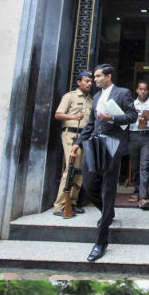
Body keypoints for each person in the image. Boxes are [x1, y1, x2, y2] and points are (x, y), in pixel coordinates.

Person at [73, 64, 138, 262]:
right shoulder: (96, 97)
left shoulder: (122, 93)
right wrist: (78, 143)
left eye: (98, 76)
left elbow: (133, 116)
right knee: (89, 184)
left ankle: (101, 242)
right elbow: (91, 123)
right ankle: (107, 213)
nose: (95, 80)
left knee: (108, 190)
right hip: (94, 144)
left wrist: (112, 117)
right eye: (94, 77)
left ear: (109, 77)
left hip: (112, 144)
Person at [52, 70, 93, 217]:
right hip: (71, 135)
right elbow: (58, 115)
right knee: (70, 169)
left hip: (84, 137)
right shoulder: (70, 96)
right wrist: (73, 117)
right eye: (86, 81)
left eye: (91, 81)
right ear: (79, 82)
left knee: (79, 171)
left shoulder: (91, 100)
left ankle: (72, 202)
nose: (89, 83)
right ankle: (60, 206)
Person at [128, 80, 149, 210]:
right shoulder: (131, 104)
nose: (143, 91)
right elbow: (126, 122)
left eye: (145, 89)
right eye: (140, 89)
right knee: (135, 166)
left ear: (148, 91)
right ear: (137, 90)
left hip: (147, 137)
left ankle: (143, 195)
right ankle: (136, 191)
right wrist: (137, 121)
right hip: (133, 136)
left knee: (144, 166)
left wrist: (145, 122)